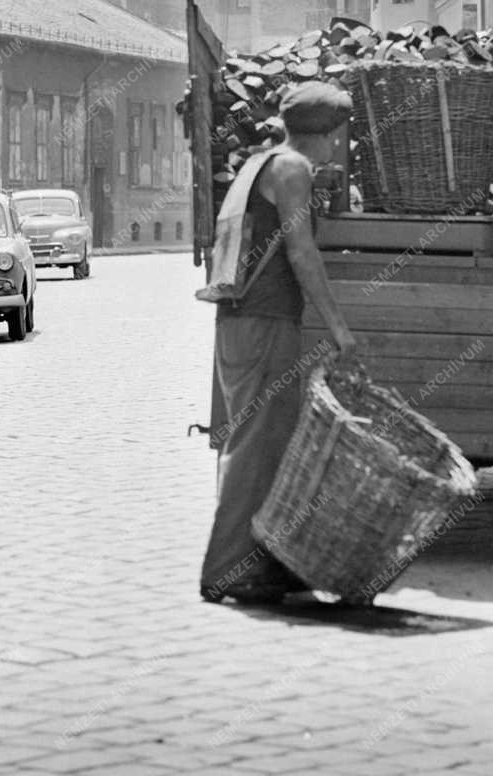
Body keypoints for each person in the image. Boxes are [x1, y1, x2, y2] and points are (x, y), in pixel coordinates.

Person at [200, 81, 358, 605]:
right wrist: (338, 327)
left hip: (241, 319)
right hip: (265, 321)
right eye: (339, 133)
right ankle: (225, 570)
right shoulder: (292, 169)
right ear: (329, 133)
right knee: (254, 447)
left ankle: (267, 563)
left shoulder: (259, 163)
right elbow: (302, 252)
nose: (339, 144)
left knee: (271, 443)